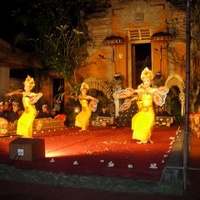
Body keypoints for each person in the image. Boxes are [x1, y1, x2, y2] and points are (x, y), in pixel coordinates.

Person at [114, 67, 169, 144]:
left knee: (149, 125)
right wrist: (126, 96)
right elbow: (135, 93)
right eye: (145, 81)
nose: (146, 82)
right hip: (143, 111)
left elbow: (160, 90)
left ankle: (146, 138)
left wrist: (164, 89)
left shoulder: (152, 90)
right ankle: (144, 138)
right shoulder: (142, 90)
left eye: (148, 81)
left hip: (150, 111)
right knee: (139, 122)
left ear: (150, 82)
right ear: (143, 82)